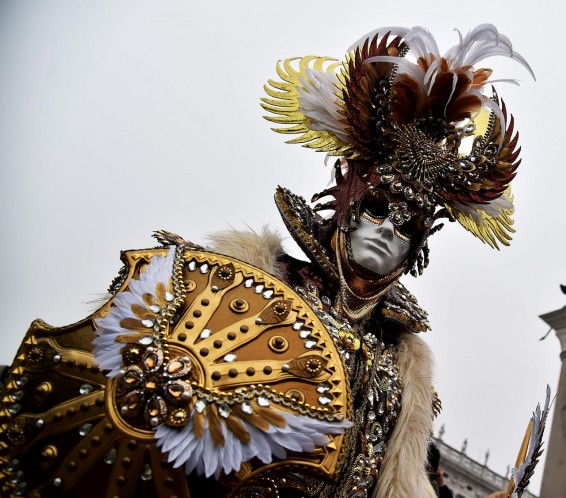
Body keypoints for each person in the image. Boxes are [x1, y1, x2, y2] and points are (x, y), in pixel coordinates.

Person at [0, 25, 533, 497]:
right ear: (346, 198)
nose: (388, 229)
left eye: (409, 224)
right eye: (377, 206)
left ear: (421, 246)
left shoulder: (405, 364)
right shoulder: (244, 280)